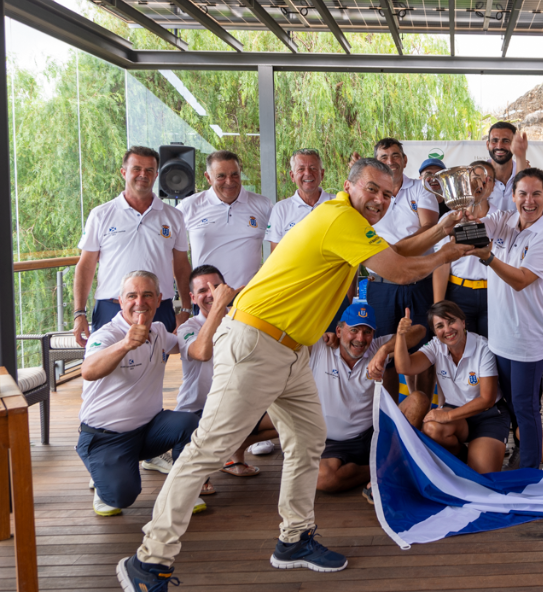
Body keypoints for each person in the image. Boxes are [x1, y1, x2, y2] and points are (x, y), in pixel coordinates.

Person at [117, 158, 470, 591]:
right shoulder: (338, 216)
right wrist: (449, 252)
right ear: (348, 185)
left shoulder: (349, 223)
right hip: (256, 342)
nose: (380, 199)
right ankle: (148, 559)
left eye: (388, 194)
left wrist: (443, 228)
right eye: (373, 190)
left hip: (290, 349)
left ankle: (294, 538)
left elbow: (396, 253)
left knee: (307, 440)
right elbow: (395, 270)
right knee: (206, 451)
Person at [78, 271, 202, 517]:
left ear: (159, 299)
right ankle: (101, 473)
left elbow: (188, 346)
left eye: (147, 295)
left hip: (148, 429)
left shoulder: (157, 331)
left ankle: (182, 492)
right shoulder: (106, 335)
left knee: (192, 421)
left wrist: (214, 316)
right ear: (120, 301)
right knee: (121, 497)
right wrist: (125, 344)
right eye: (132, 296)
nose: (140, 302)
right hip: (106, 437)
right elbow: (89, 370)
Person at [467, 168, 543, 470]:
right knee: (510, 404)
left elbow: (521, 279)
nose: (529, 200)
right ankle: (523, 457)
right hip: (500, 335)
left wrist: (489, 258)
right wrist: (475, 197)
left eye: (536, 194)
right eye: (522, 193)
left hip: (527, 338)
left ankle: (531, 472)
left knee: (526, 407)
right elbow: (476, 225)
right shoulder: (506, 220)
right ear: (513, 196)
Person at [74, 146, 192, 345]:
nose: (142, 175)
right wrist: (79, 313)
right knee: (104, 370)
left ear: (156, 175)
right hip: (111, 308)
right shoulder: (101, 214)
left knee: (156, 371)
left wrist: (186, 310)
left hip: (159, 307)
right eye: (136, 169)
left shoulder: (174, 216)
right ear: (124, 172)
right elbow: (86, 266)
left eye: (149, 170)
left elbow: (181, 266)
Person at [311, 303, 428, 499]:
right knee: (322, 479)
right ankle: (382, 470)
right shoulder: (319, 347)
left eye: (367, 332)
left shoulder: (376, 346)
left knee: (419, 400)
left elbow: (420, 331)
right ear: (339, 331)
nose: (360, 338)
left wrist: (384, 351)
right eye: (354, 330)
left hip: (372, 433)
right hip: (333, 441)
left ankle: (385, 471)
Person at [175, 265, 279, 486]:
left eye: (216, 287)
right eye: (203, 290)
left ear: (227, 289)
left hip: (235, 406)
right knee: (193, 483)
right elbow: (202, 352)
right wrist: (219, 308)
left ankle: (235, 453)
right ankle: (189, 453)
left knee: (286, 418)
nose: (211, 293)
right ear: (193, 298)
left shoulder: (241, 319)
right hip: (196, 412)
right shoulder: (188, 327)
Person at [394, 301, 509, 474]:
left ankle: (476, 456)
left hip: (488, 415)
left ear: (463, 322)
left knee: (482, 480)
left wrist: (447, 415)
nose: (447, 329)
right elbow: (405, 367)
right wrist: (401, 336)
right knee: (432, 428)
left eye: (451, 321)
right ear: (435, 332)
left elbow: (487, 399)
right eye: (440, 326)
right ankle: (463, 455)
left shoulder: (483, 348)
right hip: (458, 416)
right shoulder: (436, 346)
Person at [367, 138, 440, 337]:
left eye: (395, 156)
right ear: (377, 163)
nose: (390, 161)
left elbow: (429, 227)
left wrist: (395, 250)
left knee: (423, 350)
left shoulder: (421, 188)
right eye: (384, 157)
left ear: (405, 160)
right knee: (383, 352)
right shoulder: (368, 194)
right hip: (382, 285)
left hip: (419, 283)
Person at [178, 151, 273, 290]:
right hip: (206, 298)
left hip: (249, 297)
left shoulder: (263, 205)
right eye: (221, 176)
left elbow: (283, 245)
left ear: (240, 172)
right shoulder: (190, 206)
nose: (229, 181)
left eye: (234, 174)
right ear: (208, 177)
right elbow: (167, 248)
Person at [432, 160, 495, 337]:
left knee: (493, 349)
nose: (480, 183)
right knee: (462, 348)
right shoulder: (449, 218)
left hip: (494, 293)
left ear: (493, 185)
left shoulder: (503, 218)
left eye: (487, 179)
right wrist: (438, 307)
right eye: (474, 178)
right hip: (459, 293)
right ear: (465, 183)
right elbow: (442, 264)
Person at [267, 148, 332, 252]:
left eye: (313, 168)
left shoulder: (338, 204)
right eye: (301, 169)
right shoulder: (281, 209)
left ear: (322, 174)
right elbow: (276, 256)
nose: (307, 173)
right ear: (292, 176)